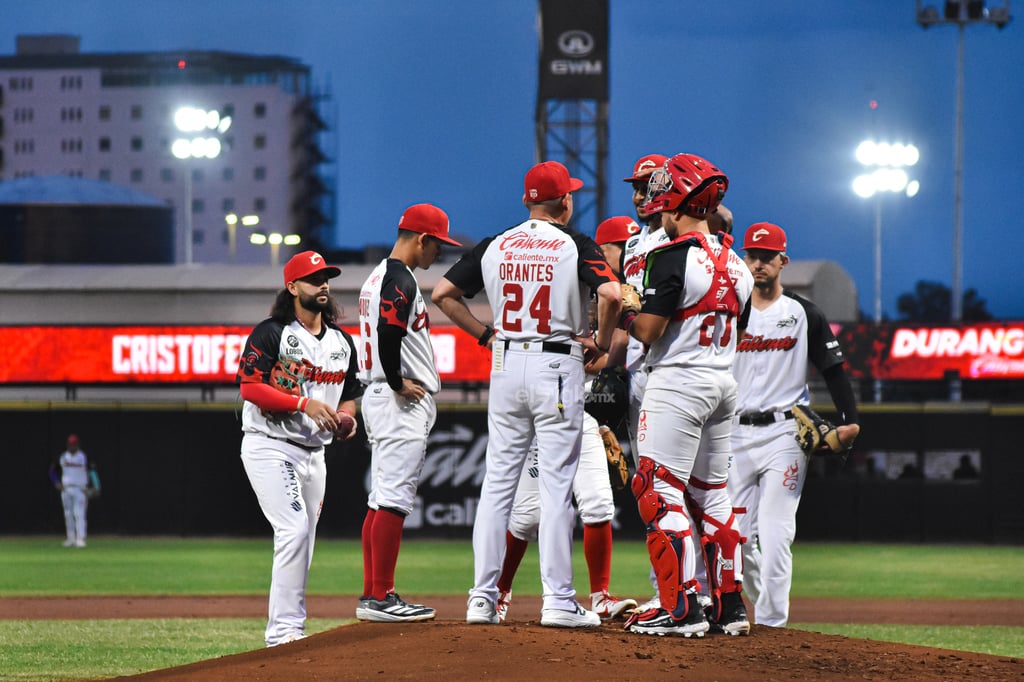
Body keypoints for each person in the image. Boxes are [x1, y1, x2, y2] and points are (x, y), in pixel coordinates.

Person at [432, 160, 622, 628]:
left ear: (525, 200)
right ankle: (558, 601)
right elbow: (613, 295)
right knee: (556, 489)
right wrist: (599, 340)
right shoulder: (574, 243)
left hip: (506, 362)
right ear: (566, 201)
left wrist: (483, 334)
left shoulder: (497, 243)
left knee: (497, 484)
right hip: (556, 363)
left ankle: (481, 598)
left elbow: (442, 293)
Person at [621, 153, 754, 638]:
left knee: (658, 491)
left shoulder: (669, 255)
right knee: (713, 495)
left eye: (662, 194)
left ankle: (679, 609)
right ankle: (731, 606)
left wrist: (623, 311)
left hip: (678, 380)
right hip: (722, 381)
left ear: (676, 199)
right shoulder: (737, 264)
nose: (656, 203)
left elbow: (649, 332)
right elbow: (739, 327)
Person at [493, 215, 641, 623]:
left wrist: (605, 423)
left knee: (598, 505)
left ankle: (600, 596)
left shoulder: (619, 293)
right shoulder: (576, 270)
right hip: (546, 412)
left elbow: (620, 344)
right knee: (525, 517)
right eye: (618, 248)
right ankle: (498, 592)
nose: (622, 255)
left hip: (582, 417)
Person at [728, 221, 861, 629]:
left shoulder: (804, 313)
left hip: (786, 432)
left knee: (776, 533)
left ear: (783, 261)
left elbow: (834, 371)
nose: (759, 263)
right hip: (732, 432)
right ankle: (750, 606)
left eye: (767, 257)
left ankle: (771, 624)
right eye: (752, 255)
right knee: (736, 536)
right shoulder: (730, 311)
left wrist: (849, 422)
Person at [236, 250, 362, 647]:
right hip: (269, 446)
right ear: (292, 287)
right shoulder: (272, 332)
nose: (322, 284)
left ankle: (292, 627)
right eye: (313, 279)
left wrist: (347, 417)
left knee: (304, 540)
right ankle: (284, 632)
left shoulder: (342, 341)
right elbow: (250, 387)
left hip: (314, 454)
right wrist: (304, 403)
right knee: (293, 530)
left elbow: (351, 392)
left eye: (326, 278)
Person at [355, 203, 461, 623]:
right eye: (438, 244)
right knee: (394, 499)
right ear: (421, 238)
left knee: (381, 499)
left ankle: (372, 594)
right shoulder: (400, 276)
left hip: (380, 397)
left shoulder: (377, 276)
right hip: (396, 401)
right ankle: (381, 597)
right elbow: (388, 330)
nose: (439, 253)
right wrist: (398, 381)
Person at [49, 434, 99, 548]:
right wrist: (56, 482)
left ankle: (80, 538)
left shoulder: (83, 456)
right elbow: (52, 471)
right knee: (68, 514)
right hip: (66, 489)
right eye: (70, 444)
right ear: (67, 444)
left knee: (79, 514)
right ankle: (70, 538)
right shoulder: (63, 457)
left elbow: (92, 471)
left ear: (77, 445)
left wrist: (96, 486)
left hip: (80, 489)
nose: (72, 446)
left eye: (74, 444)